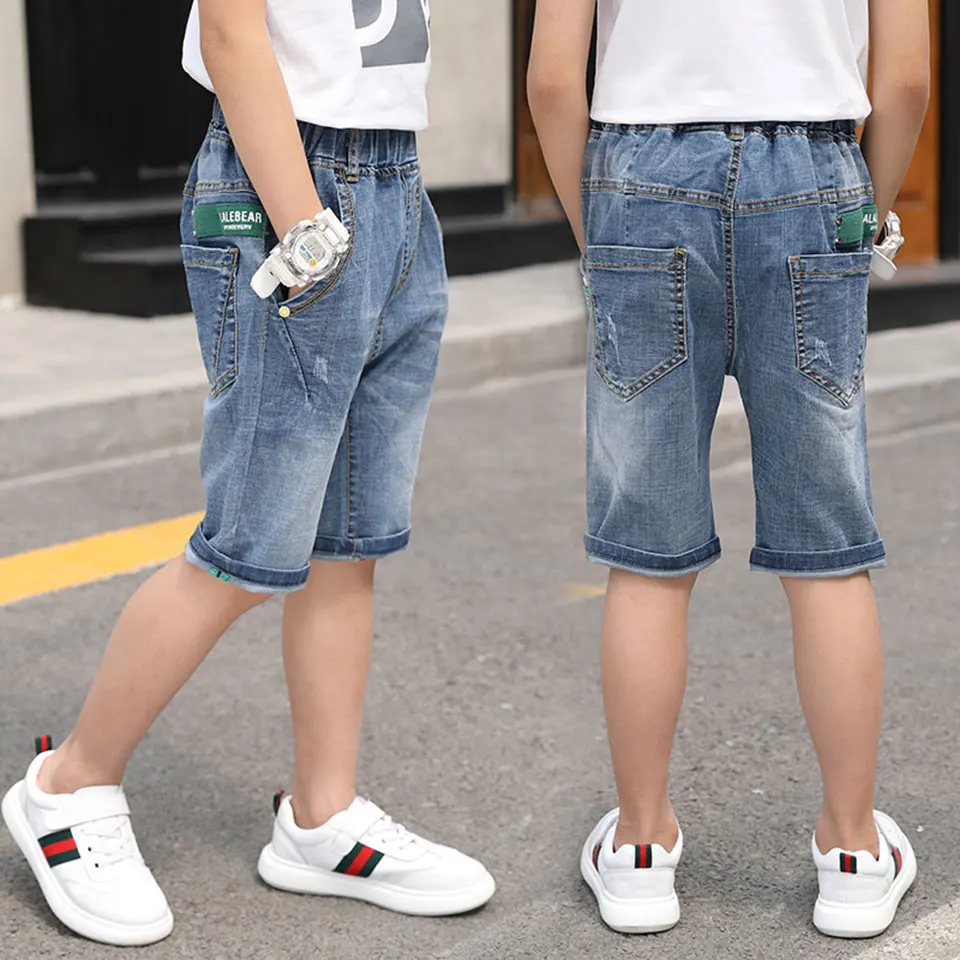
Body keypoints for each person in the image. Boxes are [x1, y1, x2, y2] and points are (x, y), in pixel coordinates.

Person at [1, 0, 495, 946]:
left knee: (349, 540)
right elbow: (231, 31)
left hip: (395, 179)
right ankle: (68, 784)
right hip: (291, 183)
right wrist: (304, 222)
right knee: (247, 546)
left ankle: (322, 817)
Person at [528, 0, 929, 938]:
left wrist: (601, 234)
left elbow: (551, 79)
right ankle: (852, 852)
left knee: (646, 546)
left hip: (641, 169)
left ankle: (639, 850)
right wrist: (862, 213)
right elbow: (907, 77)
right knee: (827, 539)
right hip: (814, 165)